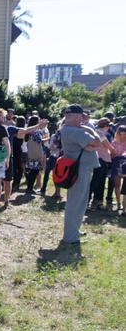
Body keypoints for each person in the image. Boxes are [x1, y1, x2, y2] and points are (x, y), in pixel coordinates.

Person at [60, 104, 102, 244]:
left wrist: (90, 145)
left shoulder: (69, 129)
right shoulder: (76, 131)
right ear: (76, 116)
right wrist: (90, 129)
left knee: (80, 202)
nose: (82, 120)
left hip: (80, 169)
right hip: (80, 170)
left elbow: (92, 146)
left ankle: (74, 231)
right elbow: (98, 142)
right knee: (76, 203)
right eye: (81, 117)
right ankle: (70, 237)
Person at [24, 116, 45, 194]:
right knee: (35, 171)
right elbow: (40, 141)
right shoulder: (37, 132)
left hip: (30, 152)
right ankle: (30, 188)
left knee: (31, 171)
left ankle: (29, 188)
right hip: (36, 153)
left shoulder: (28, 130)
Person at [111, 125, 126, 211]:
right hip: (116, 163)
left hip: (125, 163)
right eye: (121, 134)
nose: (123, 136)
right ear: (118, 133)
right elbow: (111, 155)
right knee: (117, 185)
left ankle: (124, 205)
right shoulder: (114, 142)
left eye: (125, 134)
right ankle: (118, 203)